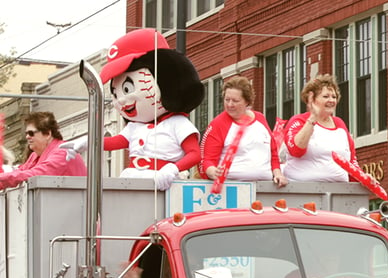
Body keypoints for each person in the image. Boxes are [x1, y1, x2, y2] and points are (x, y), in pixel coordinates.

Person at [62, 28, 203, 190]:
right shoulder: (135, 127)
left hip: (164, 183)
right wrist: (90, 141)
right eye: (116, 93)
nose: (122, 100)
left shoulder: (178, 123)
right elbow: (116, 141)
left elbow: (195, 154)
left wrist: (173, 168)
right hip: (133, 179)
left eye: (127, 89)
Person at [199, 76, 287, 186]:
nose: (230, 104)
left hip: (265, 187)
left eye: (235, 101)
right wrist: (213, 172)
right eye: (227, 100)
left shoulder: (260, 118)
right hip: (231, 187)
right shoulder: (218, 124)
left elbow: (273, 152)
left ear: (247, 102)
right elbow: (206, 160)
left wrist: (278, 174)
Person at [283, 74, 358, 182]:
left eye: (334, 97)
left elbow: (351, 160)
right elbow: (296, 150)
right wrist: (312, 119)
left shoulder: (339, 123)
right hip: (303, 191)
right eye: (326, 96)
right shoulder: (299, 121)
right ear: (312, 99)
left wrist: (363, 179)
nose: (331, 100)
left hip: (339, 192)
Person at [0, 112, 86, 190]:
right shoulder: (35, 155)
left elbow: (37, 174)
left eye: (31, 133)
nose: (27, 137)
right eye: (26, 134)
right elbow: (21, 171)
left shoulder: (63, 152)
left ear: (48, 134)